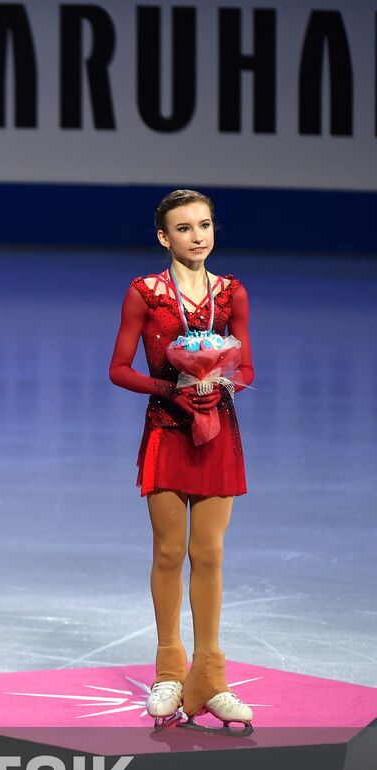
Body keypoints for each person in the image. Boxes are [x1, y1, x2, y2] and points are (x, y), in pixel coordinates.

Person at [108, 190, 254, 733]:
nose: (199, 236)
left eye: (206, 225)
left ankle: (210, 678)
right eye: (185, 228)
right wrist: (170, 391)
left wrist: (221, 383)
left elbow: (249, 367)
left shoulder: (232, 292)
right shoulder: (145, 293)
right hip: (167, 431)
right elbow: (119, 369)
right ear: (164, 238)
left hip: (217, 433)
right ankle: (170, 667)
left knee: (209, 553)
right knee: (170, 551)